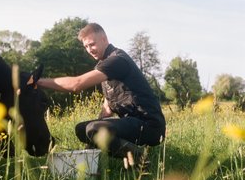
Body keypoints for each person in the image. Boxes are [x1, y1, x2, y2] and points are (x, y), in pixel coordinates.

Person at [37, 23, 166, 167]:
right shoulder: (103, 65)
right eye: (86, 46)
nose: (89, 50)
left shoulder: (117, 60)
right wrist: (91, 145)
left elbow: (76, 84)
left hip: (150, 126)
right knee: (82, 129)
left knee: (92, 129)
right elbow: (107, 108)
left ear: (104, 39)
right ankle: (107, 160)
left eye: (92, 44)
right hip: (133, 124)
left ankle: (140, 159)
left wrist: (38, 81)